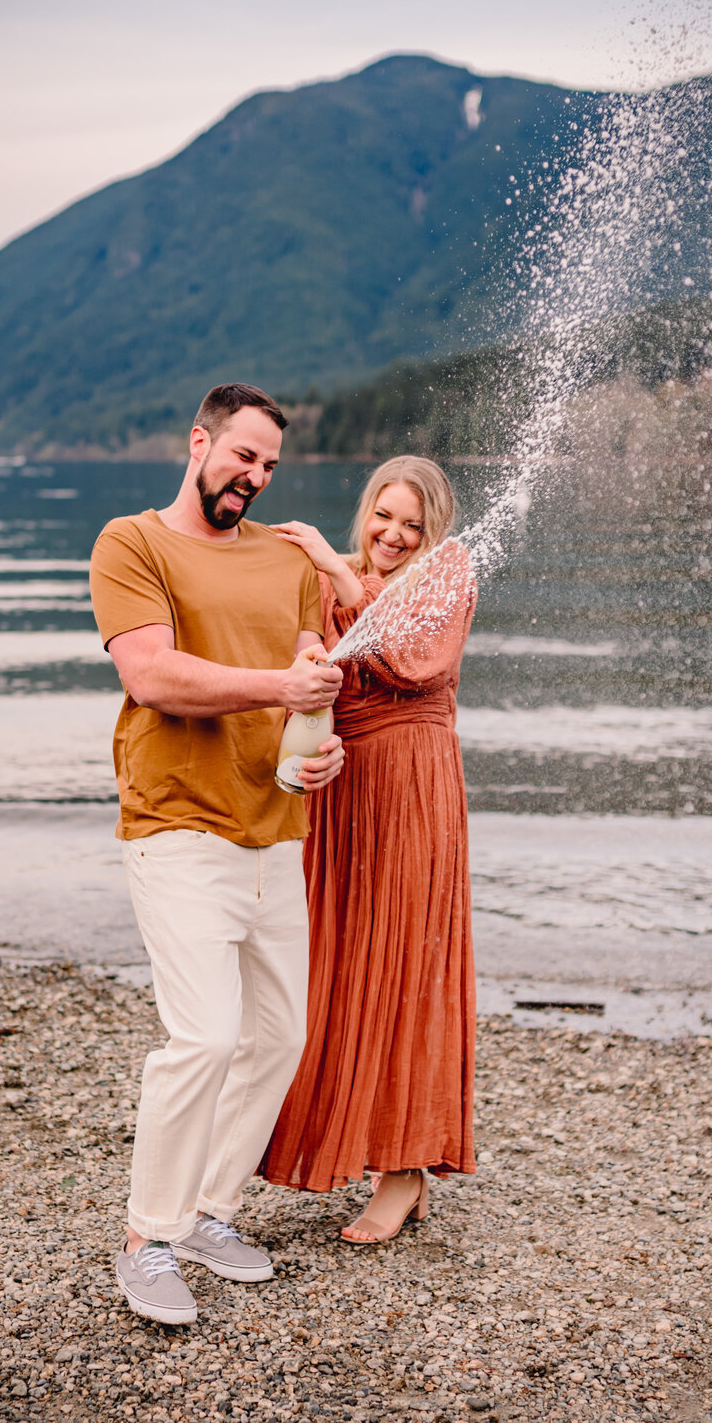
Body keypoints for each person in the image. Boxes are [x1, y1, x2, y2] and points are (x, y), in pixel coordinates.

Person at [89, 383, 345, 1324]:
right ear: (199, 440)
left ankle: (208, 1212)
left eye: (270, 464)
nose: (255, 476)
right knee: (201, 1038)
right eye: (242, 455)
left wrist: (325, 742)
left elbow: (307, 686)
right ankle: (146, 1239)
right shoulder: (132, 542)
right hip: (176, 823)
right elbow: (151, 674)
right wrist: (280, 682)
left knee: (279, 1035)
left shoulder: (287, 562)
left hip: (274, 829)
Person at [260, 456, 477, 1242]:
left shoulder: (446, 573)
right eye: (384, 516)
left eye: (412, 524)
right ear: (367, 511)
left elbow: (418, 657)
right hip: (342, 792)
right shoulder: (332, 575)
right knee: (336, 966)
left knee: (407, 966)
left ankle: (408, 1168)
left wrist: (339, 578)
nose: (393, 534)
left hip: (413, 788)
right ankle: (341, 1143)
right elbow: (307, 667)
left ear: (435, 532)